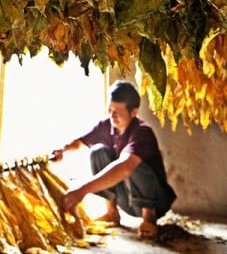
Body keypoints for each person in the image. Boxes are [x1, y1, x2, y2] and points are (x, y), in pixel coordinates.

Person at [49, 80, 176, 239]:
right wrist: (63, 149)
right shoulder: (106, 126)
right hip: (129, 199)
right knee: (98, 151)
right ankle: (111, 213)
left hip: (156, 201)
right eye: (110, 109)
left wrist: (82, 190)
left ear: (134, 112)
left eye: (118, 111)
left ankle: (148, 219)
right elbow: (81, 142)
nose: (112, 115)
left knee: (132, 164)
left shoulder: (142, 132)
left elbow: (125, 168)